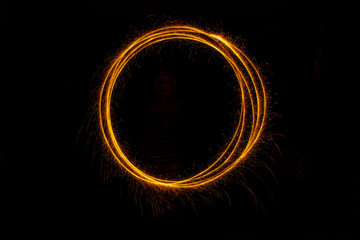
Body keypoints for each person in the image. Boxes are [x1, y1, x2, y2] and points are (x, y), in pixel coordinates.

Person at [139, 71, 183, 179]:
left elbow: (182, 133)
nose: (163, 86)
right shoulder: (149, 107)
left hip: (171, 162)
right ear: (156, 85)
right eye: (160, 82)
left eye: (167, 82)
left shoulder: (177, 106)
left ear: (172, 85)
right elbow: (146, 134)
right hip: (152, 162)